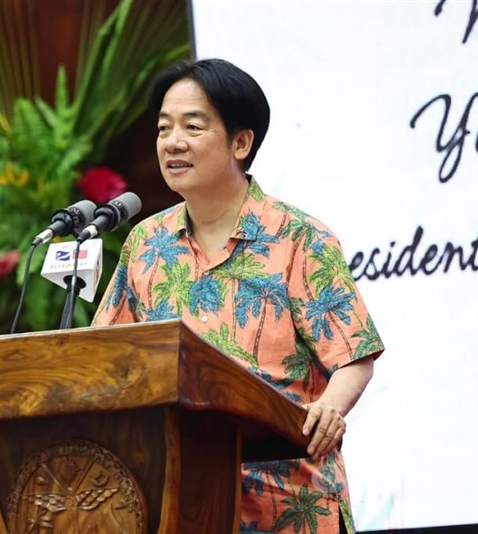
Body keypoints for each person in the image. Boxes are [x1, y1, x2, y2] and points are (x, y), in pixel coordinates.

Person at [92, 58, 384, 534]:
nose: (173, 142)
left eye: (193, 126)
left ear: (241, 142)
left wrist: (330, 407)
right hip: (185, 505)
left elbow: (354, 355)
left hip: (287, 502)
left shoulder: (299, 238)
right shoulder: (146, 244)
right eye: (164, 128)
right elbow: (107, 357)